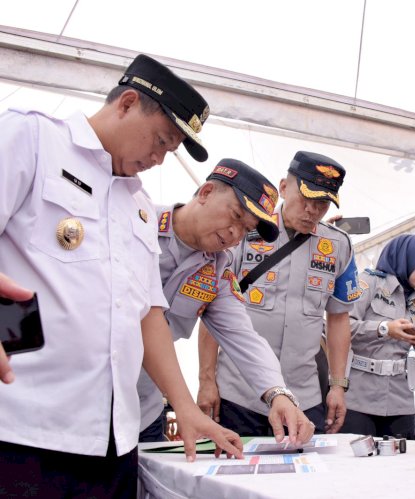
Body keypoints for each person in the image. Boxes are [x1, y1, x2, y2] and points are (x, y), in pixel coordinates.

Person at [0, 54, 243, 496]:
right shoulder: (31, 138)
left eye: (170, 151)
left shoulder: (140, 207)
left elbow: (148, 313)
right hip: (24, 430)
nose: (160, 158)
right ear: (128, 103)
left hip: (114, 440)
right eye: (160, 141)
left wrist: (185, 406)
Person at [138, 158, 314, 446]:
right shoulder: (139, 223)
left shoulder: (218, 270)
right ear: (206, 193)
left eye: (246, 229)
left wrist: (278, 393)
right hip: (79, 398)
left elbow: (242, 336)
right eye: (234, 216)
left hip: (141, 409)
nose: (235, 234)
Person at [197, 151, 360, 435]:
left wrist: (337, 386)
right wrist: (207, 380)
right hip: (241, 395)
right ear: (284, 187)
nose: (312, 210)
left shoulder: (338, 246)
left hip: (304, 398)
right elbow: (213, 309)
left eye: (322, 203)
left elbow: (338, 319)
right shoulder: (243, 232)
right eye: (306, 198)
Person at [339, 234, 415, 437]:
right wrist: (384, 328)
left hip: (400, 402)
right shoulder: (368, 282)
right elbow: (343, 327)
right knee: (357, 464)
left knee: (400, 464)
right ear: (407, 258)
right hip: (358, 398)